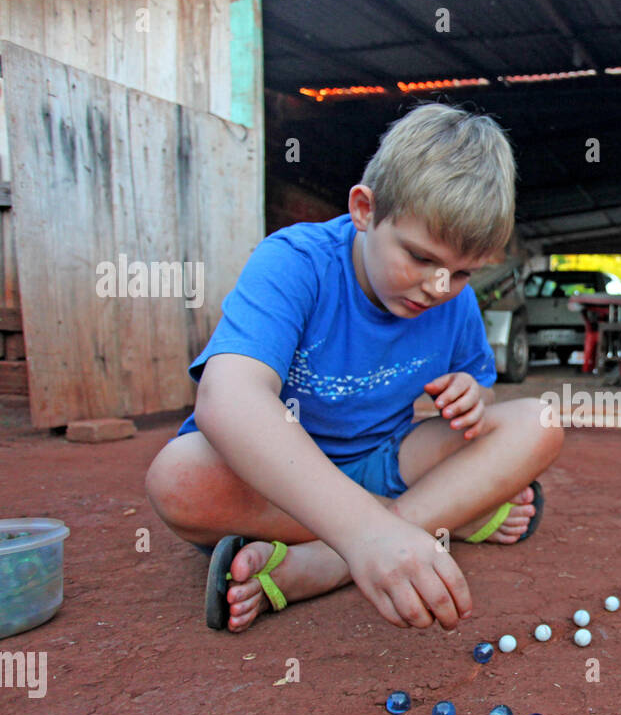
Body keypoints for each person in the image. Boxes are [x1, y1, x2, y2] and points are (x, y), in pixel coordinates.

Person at [145, 103, 564, 633]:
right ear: (365, 209)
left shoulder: (452, 300)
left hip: (384, 460)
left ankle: (327, 563)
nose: (438, 288)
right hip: (277, 483)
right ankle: (437, 520)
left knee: (541, 421)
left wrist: (473, 398)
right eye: (419, 257)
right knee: (179, 478)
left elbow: (480, 392)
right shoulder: (295, 262)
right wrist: (365, 533)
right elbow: (227, 400)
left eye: (461, 274)